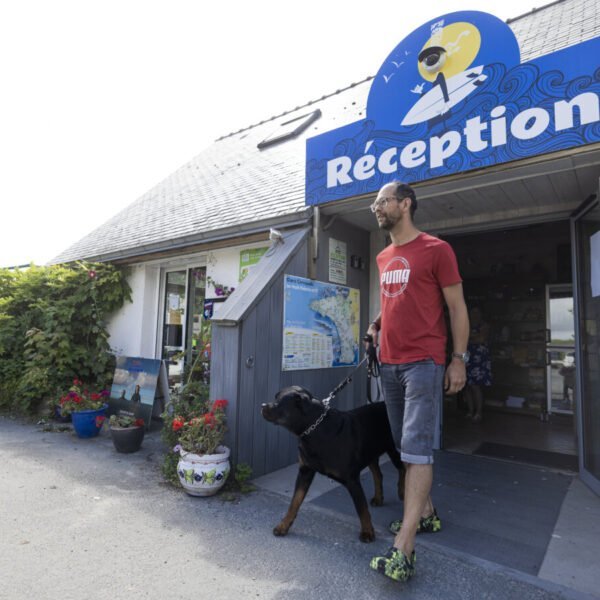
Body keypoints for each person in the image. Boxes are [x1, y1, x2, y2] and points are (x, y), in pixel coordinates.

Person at [366, 181, 469, 583]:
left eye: (382, 201)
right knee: (403, 445)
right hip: (389, 363)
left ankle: (403, 548)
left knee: (417, 449)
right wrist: (377, 324)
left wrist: (457, 359)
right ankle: (426, 515)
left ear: (405, 204)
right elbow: (393, 301)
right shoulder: (382, 256)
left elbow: (457, 308)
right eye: (374, 202)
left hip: (423, 363)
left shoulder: (436, 250)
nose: (376, 207)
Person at [464, 306, 492, 422]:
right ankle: (470, 411)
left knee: (476, 386)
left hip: (479, 359)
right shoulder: (466, 324)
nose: (474, 315)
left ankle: (478, 412)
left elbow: (481, 339)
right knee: (466, 386)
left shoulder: (484, 326)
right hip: (467, 358)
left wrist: (469, 338)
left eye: (477, 312)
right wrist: (472, 338)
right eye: (472, 312)